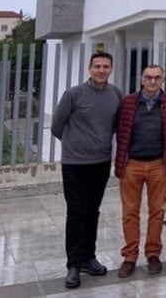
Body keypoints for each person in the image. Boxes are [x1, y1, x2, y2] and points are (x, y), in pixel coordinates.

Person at [51, 52, 122, 289]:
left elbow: (115, 127)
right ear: (89, 69)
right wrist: (76, 144)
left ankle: (89, 258)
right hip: (75, 164)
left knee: (93, 211)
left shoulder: (115, 94)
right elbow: (57, 127)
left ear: (111, 69)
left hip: (101, 162)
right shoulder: (74, 94)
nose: (101, 70)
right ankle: (73, 264)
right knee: (75, 212)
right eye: (97, 66)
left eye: (105, 66)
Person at [114, 65, 166, 278]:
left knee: (157, 212)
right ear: (142, 79)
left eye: (157, 78)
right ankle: (129, 257)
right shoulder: (129, 102)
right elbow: (120, 131)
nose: (153, 81)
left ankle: (153, 254)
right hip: (132, 164)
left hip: (159, 165)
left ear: (163, 80)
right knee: (130, 213)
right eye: (149, 78)